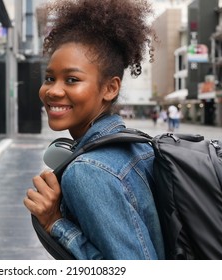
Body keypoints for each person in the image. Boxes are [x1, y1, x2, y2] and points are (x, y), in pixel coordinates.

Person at [24, 0, 164, 259]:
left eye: (72, 79)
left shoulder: (87, 171)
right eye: (49, 78)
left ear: (110, 88)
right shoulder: (138, 146)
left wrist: (54, 222)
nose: (53, 91)